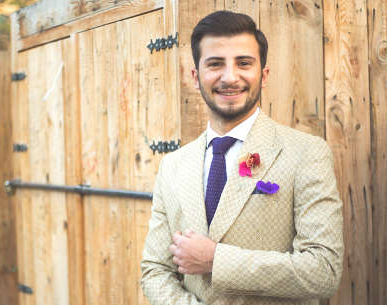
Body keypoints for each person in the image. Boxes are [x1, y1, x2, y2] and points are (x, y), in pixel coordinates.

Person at [140, 10, 343, 305]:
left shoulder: (306, 153)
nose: (230, 77)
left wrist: (215, 260)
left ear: (264, 73)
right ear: (196, 77)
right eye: (215, 64)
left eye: (244, 63)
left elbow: (323, 270)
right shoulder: (172, 166)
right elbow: (155, 270)